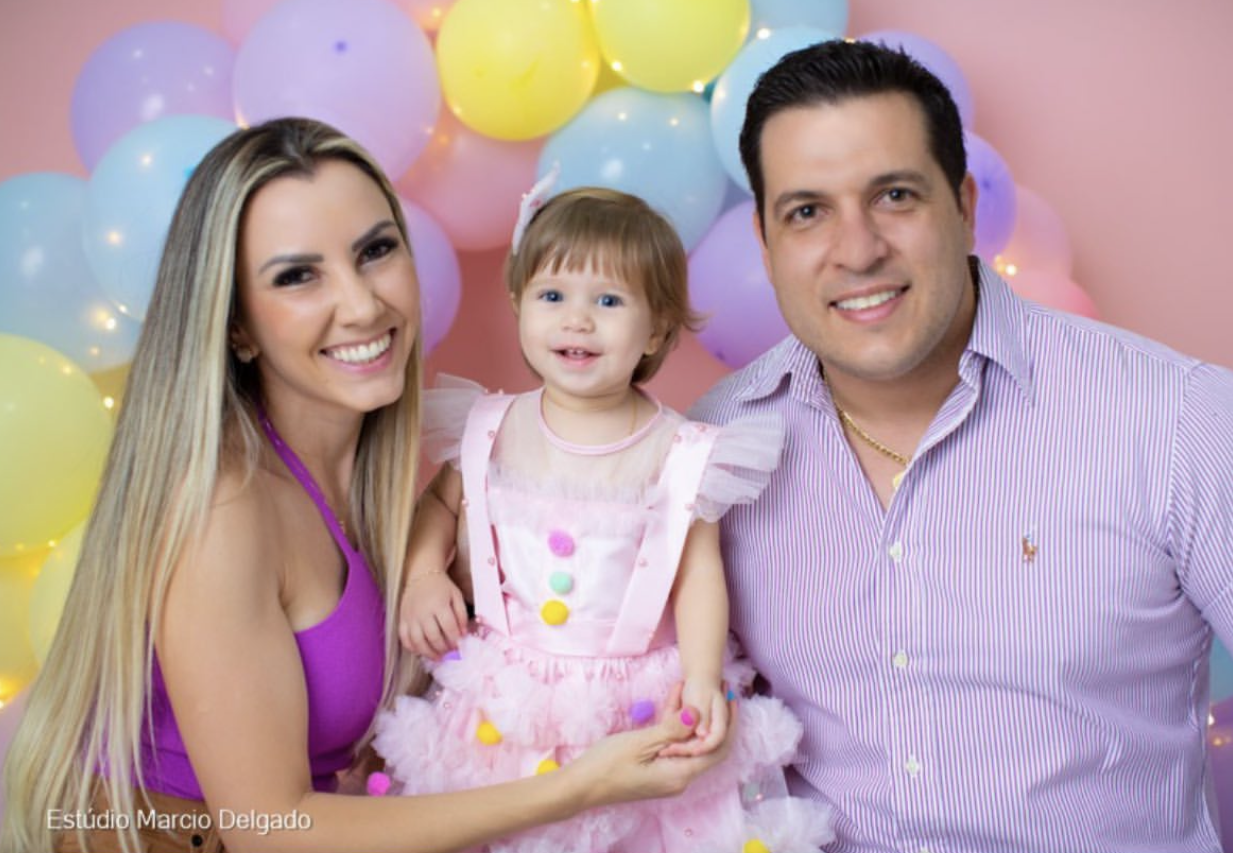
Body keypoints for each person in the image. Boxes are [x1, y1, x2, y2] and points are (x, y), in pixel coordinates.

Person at [0, 118, 738, 853]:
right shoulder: (222, 513)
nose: (361, 305)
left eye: (375, 251)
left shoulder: (385, 476)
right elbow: (268, 833)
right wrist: (581, 787)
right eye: (297, 276)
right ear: (236, 327)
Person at [689, 36, 1233, 852]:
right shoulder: (716, 449)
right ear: (765, 249)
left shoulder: (1175, 417)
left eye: (894, 195)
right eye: (806, 212)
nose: (857, 249)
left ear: (964, 206)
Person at [377, 185, 833, 852]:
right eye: (552, 295)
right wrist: (423, 574)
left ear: (657, 329)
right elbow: (442, 503)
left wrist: (702, 676)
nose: (577, 320)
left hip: (636, 703)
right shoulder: (489, 427)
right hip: (505, 702)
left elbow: (697, 574)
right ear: (518, 303)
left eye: (609, 301)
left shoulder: (681, 451)